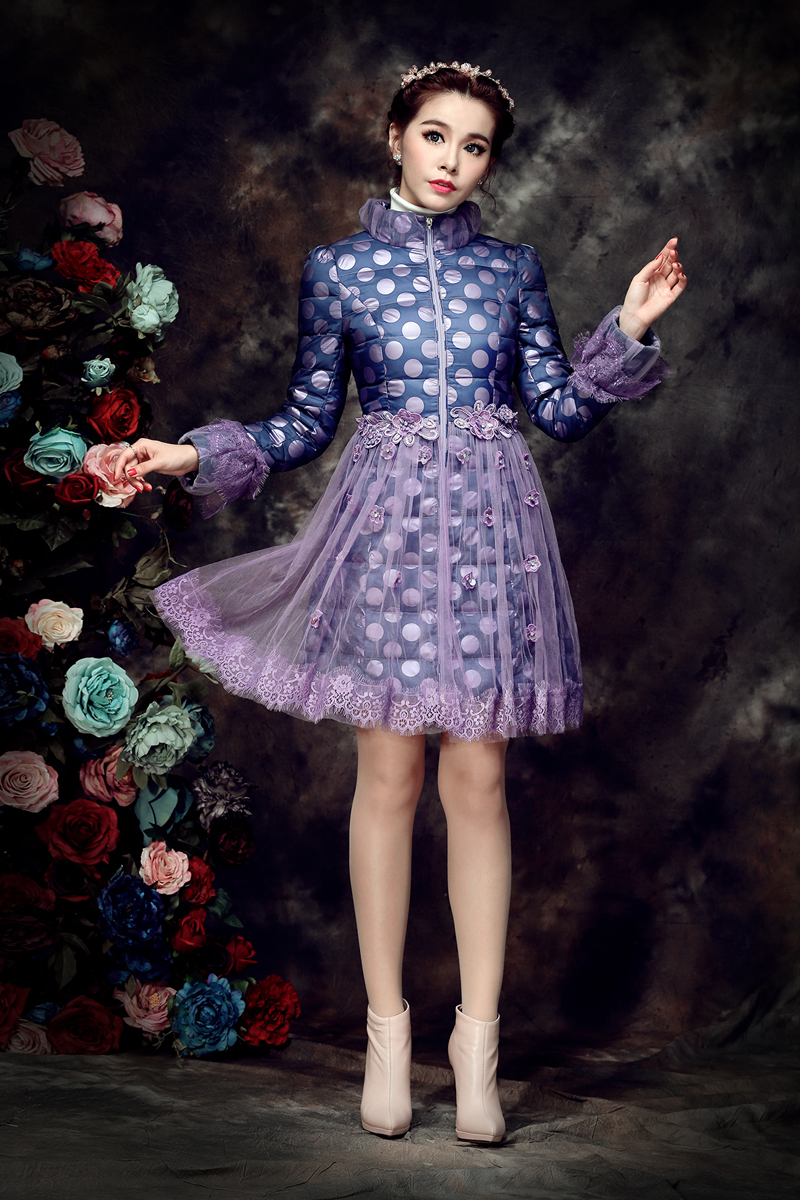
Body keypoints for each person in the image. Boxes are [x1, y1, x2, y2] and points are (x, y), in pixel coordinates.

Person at [113, 61, 686, 1143]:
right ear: (393, 136)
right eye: (434, 136)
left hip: (492, 542)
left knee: (479, 780)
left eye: (474, 146)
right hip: (382, 542)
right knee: (389, 775)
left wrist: (630, 323)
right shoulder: (336, 271)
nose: (451, 161)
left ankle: (477, 1051)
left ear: (490, 163)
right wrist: (189, 453)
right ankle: (387, 1037)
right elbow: (301, 423)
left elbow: (559, 409)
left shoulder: (512, 269)